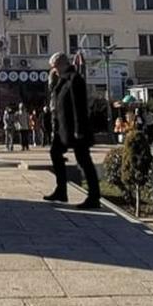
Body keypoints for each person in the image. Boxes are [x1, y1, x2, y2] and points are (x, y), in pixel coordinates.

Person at [43, 52, 101, 210]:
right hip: (62, 129)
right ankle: (61, 190)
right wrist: (51, 82)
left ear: (61, 64)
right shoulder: (60, 80)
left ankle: (94, 197)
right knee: (55, 152)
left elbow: (79, 107)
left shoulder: (75, 79)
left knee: (84, 161)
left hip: (75, 129)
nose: (53, 71)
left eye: (54, 67)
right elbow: (55, 101)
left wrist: (79, 129)